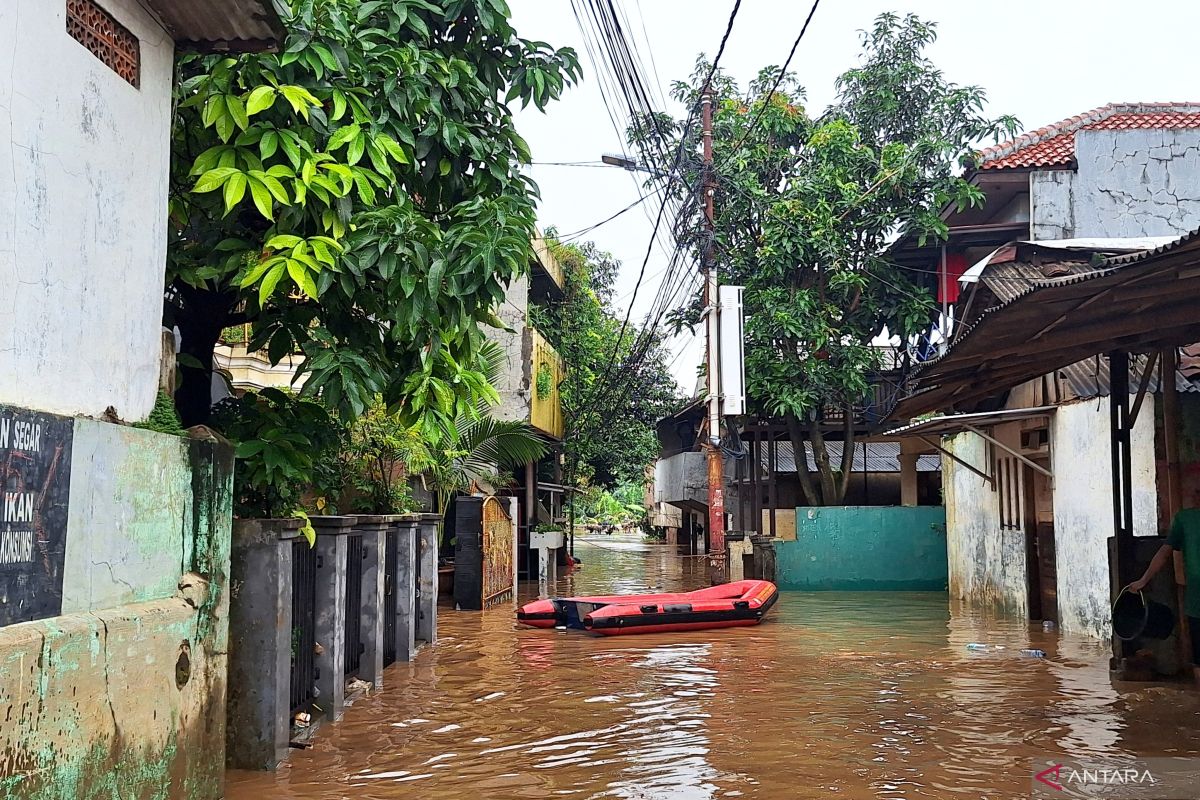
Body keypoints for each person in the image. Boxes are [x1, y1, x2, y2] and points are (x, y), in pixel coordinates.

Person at [1127, 507, 1200, 684]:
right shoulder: (1185, 519)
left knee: (1199, 659)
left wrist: (1143, 580)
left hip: (1196, 602)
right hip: (1196, 601)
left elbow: (1163, 554)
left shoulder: (1185, 518)